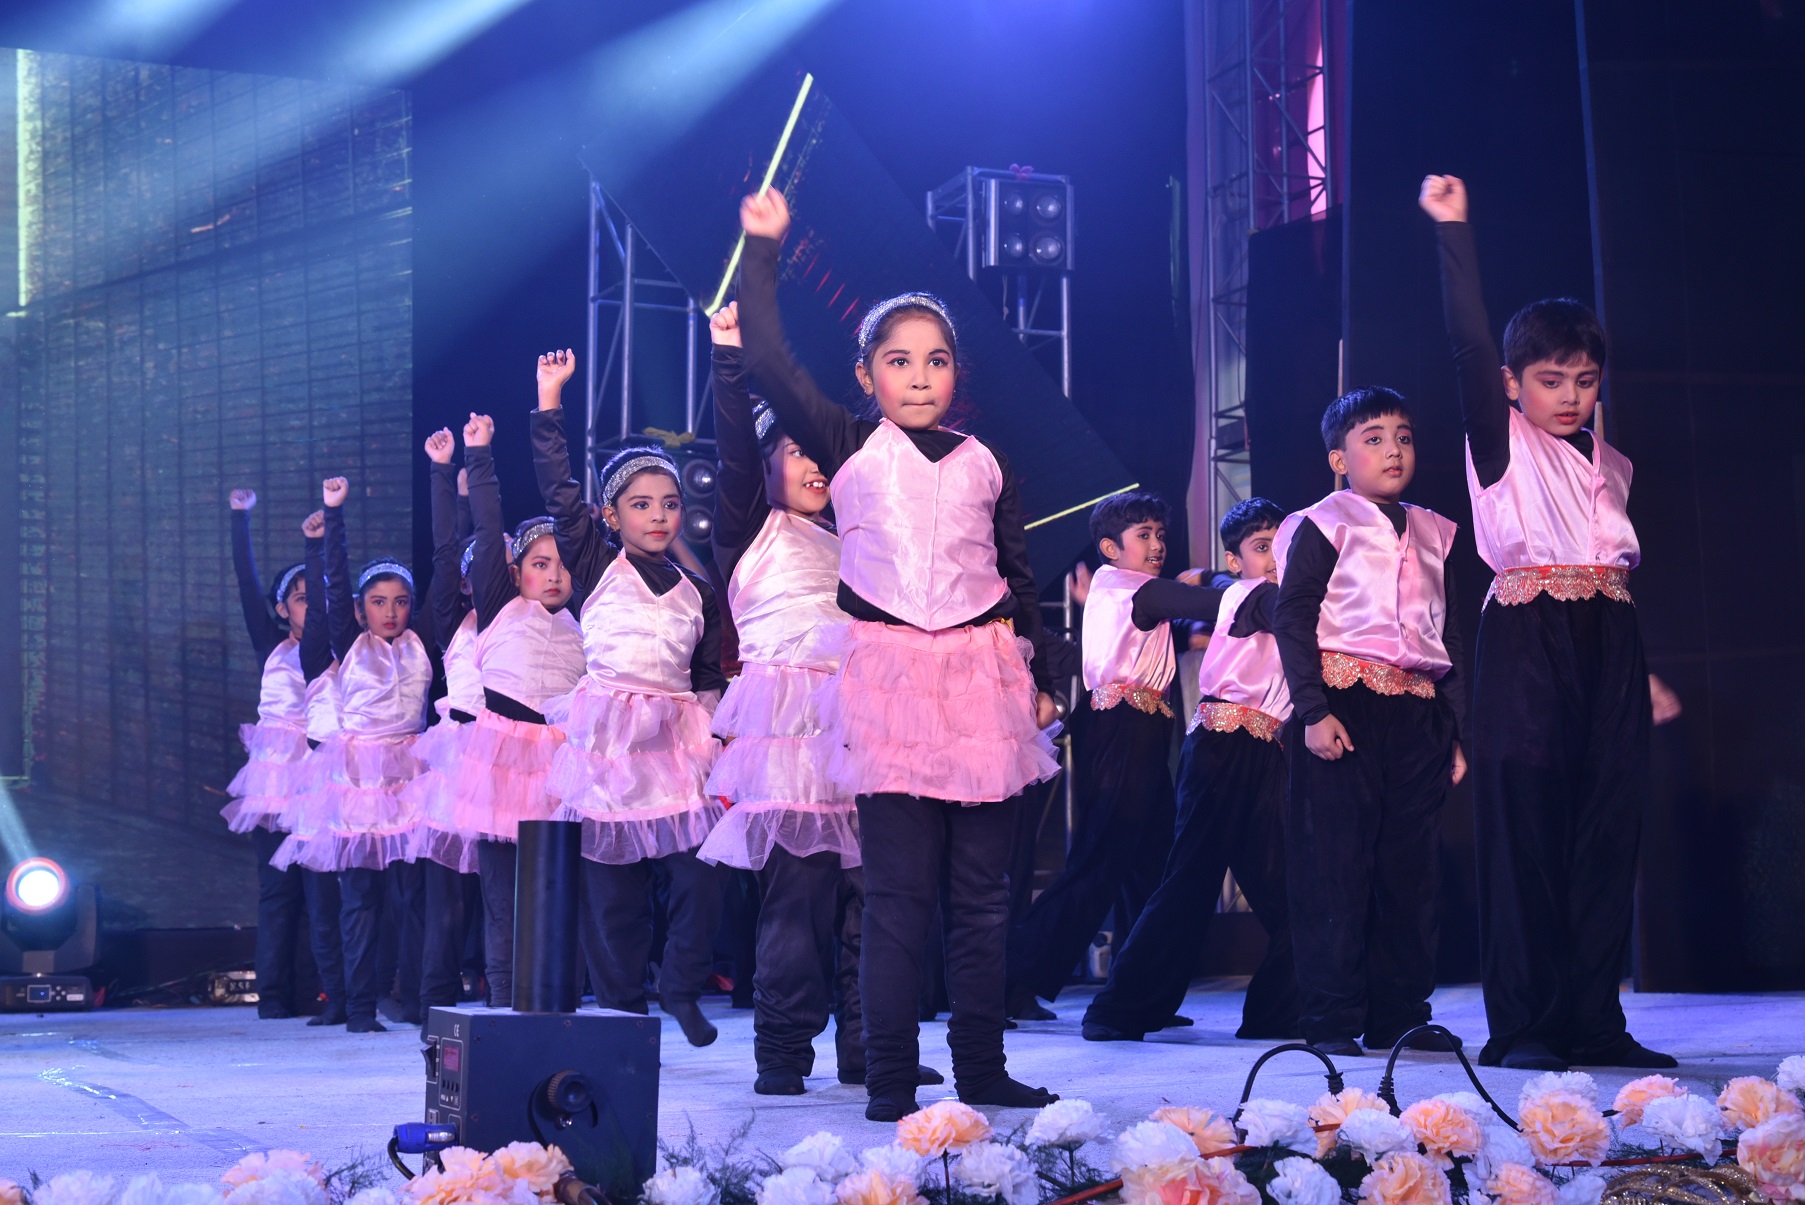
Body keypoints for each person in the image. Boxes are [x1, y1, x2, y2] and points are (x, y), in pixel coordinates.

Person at [737, 186, 1060, 1121]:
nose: (919, 377)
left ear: (957, 371)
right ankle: (887, 1076)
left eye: (936, 359)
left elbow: (1018, 577)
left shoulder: (987, 461)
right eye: (898, 360)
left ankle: (982, 1068)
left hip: (981, 681)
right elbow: (768, 360)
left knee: (982, 896)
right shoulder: (847, 443)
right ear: (866, 373)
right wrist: (764, 251)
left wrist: (1041, 676)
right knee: (895, 897)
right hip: (888, 685)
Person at [1420, 175, 1679, 1071]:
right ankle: (1524, 1025)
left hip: (1609, 637)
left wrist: (1639, 669)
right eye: (1548, 379)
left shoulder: (1611, 460)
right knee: (1527, 828)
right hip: (1528, 636)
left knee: (1605, 828)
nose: (1568, 395)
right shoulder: (1499, 440)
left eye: (1583, 379)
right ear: (1511, 383)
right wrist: (1454, 231)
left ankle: (1594, 1020)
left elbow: (1611, 569)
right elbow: (1465, 341)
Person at [695, 304, 943, 1096]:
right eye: (793, 450)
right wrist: (729, 360)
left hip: (860, 729)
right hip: (788, 735)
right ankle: (781, 1051)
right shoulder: (748, 529)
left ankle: (869, 1048)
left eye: (817, 452)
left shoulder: (851, 539)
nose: (811, 465)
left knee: (873, 903)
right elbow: (735, 452)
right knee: (796, 902)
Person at [531, 350, 728, 1048]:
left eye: (670, 503)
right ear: (611, 516)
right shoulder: (595, 564)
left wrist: (715, 739)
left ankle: (680, 983)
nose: (659, 515)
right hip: (611, 744)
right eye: (641, 505)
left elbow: (708, 674)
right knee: (613, 897)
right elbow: (559, 491)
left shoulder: (697, 591)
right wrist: (549, 401)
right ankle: (623, 1021)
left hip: (674, 746)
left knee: (701, 874)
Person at [1272, 388, 1467, 1060]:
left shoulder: (1434, 529)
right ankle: (1330, 1014)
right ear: (1339, 458)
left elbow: (1447, 634)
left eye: (1403, 437)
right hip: (1342, 704)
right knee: (1334, 864)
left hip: (1416, 711)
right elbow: (1292, 618)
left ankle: (1400, 1014)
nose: (1393, 450)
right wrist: (1312, 710)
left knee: (1410, 870)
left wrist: (1455, 729)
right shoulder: (1321, 522)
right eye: (1374, 438)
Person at [1082, 497, 1299, 1043]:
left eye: (1284, 546)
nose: (1276, 558)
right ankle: (1117, 1009)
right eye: (1262, 547)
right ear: (1236, 561)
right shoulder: (1249, 597)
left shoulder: (1281, 601)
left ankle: (1276, 1012)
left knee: (1291, 890)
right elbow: (1268, 604)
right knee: (1188, 883)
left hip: (1266, 752)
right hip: (1221, 748)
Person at [1004, 492, 1223, 1021]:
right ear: (1110, 547)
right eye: (1143, 535)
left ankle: (1136, 992)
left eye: (1160, 534)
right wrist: (1220, 578)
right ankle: (1007, 978)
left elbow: (1170, 633)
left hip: (1136, 729)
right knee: (1100, 862)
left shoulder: (1116, 587)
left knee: (1148, 866)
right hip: (1122, 729)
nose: (1157, 545)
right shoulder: (1138, 588)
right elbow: (1214, 605)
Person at [274, 476, 433, 1033]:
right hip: (360, 780)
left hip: (410, 778)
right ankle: (360, 1008)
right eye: (378, 603)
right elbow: (333, 589)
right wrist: (332, 522)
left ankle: (414, 1001)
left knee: (412, 898)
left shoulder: (420, 643)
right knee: (360, 897)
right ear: (361, 611)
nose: (391, 612)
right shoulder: (351, 644)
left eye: (400, 602)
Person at [452, 410, 584, 1011]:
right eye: (540, 564)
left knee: (559, 893)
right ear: (515, 573)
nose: (554, 575)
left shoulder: (584, 625)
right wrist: (479, 455)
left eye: (563, 564)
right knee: (503, 896)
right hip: (504, 763)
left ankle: (560, 1000)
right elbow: (488, 528)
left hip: (560, 765)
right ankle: (503, 1000)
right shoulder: (502, 606)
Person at [222, 488, 313, 1019]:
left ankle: (315, 991)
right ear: (283, 609)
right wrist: (241, 519)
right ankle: (275, 995)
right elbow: (246, 583)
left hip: (326, 777)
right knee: (279, 892)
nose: (312, 605)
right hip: (277, 781)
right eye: (301, 598)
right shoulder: (271, 646)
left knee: (321, 893)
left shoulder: (345, 646)